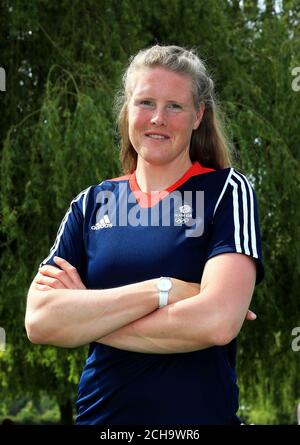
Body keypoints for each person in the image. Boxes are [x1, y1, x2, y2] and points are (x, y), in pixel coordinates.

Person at [25, 45, 264, 425]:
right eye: (145, 102)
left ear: (198, 115)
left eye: (175, 106)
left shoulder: (226, 192)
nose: (158, 118)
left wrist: (90, 314)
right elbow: (40, 321)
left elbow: (217, 323)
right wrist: (163, 289)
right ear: (127, 110)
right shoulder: (91, 203)